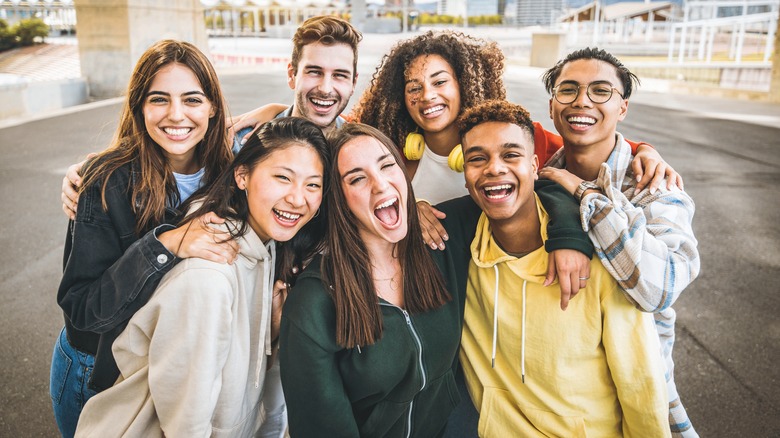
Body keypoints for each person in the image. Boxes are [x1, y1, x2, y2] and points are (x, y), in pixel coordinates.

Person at [278, 123, 593, 437]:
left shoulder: (441, 238)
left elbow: (526, 190)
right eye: (357, 178)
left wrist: (567, 235)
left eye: (387, 166)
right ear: (338, 199)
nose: (380, 184)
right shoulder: (314, 302)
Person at [73, 117, 330, 437]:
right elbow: (185, 426)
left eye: (313, 185)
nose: (297, 198)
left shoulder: (269, 247)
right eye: (282, 177)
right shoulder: (209, 277)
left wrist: (272, 334)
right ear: (242, 176)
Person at [441, 99, 670, 437]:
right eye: (477, 159)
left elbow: (641, 384)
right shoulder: (466, 255)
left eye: (511, 155)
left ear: (536, 166)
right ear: (466, 176)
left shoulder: (599, 260)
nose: (494, 168)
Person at [50, 39, 238, 438]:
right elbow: (83, 309)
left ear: (213, 108)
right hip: (97, 368)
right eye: (159, 100)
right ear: (139, 107)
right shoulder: (104, 180)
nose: (176, 115)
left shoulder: (233, 175)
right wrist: (167, 244)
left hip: (173, 365)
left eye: (191, 100)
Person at [350, 30, 680, 254]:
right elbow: (341, 141)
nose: (428, 96)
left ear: (463, 84)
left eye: (440, 82)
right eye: (414, 88)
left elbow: (582, 142)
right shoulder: (389, 151)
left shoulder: (515, 139)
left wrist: (643, 149)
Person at [538, 47, 700, 437]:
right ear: (551, 105)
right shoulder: (536, 179)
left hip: (634, 391)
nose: (582, 101)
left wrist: (585, 195)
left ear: (622, 108)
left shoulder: (657, 188)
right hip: (554, 396)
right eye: (569, 90)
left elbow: (658, 288)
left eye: (600, 91)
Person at [60, 15, 362, 218]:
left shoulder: (358, 152)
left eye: (339, 75)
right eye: (314, 71)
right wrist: (98, 174)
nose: (325, 87)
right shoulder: (242, 141)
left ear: (353, 81)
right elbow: (172, 158)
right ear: (292, 75)